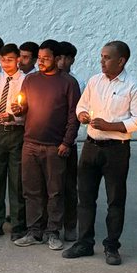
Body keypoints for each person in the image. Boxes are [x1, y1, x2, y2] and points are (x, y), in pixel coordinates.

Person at [63, 41, 137, 265]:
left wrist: (110, 126)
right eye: (101, 56)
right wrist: (82, 115)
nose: (102, 61)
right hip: (91, 146)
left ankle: (111, 246)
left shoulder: (133, 86)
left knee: (115, 199)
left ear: (121, 61)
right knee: (85, 197)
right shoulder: (94, 81)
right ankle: (84, 242)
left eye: (107, 57)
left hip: (116, 149)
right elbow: (81, 106)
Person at [14, 40, 81, 249]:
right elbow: (25, 107)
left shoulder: (68, 83)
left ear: (57, 59)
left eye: (46, 58)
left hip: (55, 145)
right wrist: (19, 109)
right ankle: (34, 231)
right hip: (30, 143)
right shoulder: (30, 80)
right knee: (31, 190)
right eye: (40, 58)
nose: (41, 62)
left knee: (55, 192)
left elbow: (73, 116)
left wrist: (66, 142)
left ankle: (53, 232)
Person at [0, 44, 26, 240]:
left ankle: (18, 224)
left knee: (16, 181)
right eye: (2, 60)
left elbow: (29, 110)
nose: (5, 63)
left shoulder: (26, 81)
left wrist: (15, 116)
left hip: (17, 132)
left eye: (10, 60)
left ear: (18, 59)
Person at [55, 41, 81, 240]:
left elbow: (76, 115)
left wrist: (68, 140)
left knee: (69, 186)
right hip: (48, 140)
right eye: (60, 58)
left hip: (68, 141)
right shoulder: (47, 80)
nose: (62, 62)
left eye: (67, 58)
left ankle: (70, 224)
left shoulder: (75, 82)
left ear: (72, 60)